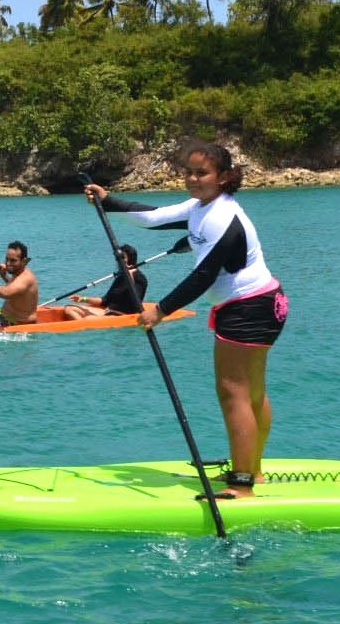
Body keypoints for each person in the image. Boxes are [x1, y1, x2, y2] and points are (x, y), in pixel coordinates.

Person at [84, 142, 288, 499]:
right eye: (189, 172)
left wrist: (159, 310)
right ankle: (253, 471)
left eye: (202, 173)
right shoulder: (200, 208)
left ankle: (241, 485)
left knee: (233, 393)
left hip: (248, 307)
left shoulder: (223, 218)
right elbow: (154, 216)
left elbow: (204, 275)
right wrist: (109, 200)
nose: (193, 179)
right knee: (250, 392)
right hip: (260, 303)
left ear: (223, 177)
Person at [62, 244, 147, 320]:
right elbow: (105, 300)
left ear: (130, 260)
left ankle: (85, 329)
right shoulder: (121, 277)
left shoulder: (140, 278)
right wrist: (83, 299)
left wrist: (129, 275)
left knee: (89, 319)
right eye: (117, 258)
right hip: (108, 311)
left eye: (121, 258)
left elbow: (136, 304)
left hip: (122, 315)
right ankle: (81, 329)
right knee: (69, 309)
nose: (118, 261)